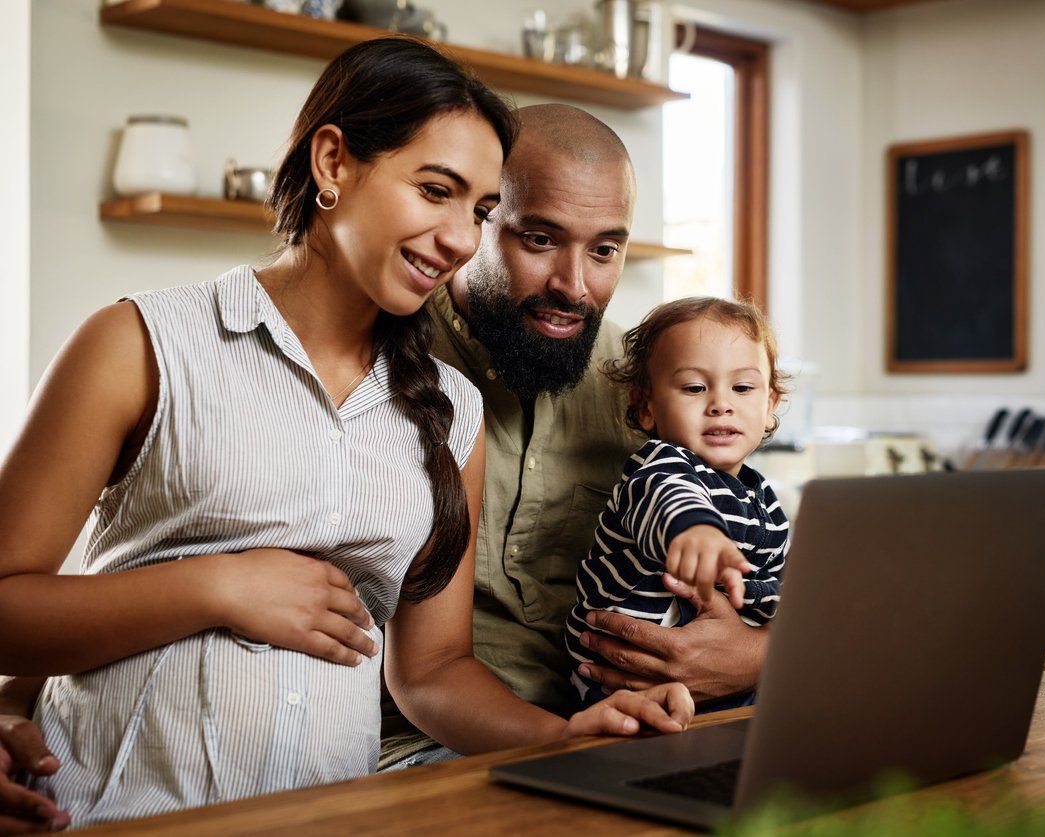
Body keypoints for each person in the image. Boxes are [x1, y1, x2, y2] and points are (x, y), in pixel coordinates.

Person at [0, 39, 690, 830]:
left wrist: (562, 738)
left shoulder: (450, 412)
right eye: (436, 190)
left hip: (333, 818)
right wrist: (218, 585)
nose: (462, 239)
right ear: (333, 163)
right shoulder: (138, 344)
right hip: (113, 812)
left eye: (480, 211)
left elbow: (431, 671)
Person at [381, 105, 775, 767]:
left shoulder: (651, 385)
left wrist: (751, 658)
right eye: (538, 239)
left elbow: (757, 559)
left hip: (637, 730)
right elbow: (423, 671)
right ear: (478, 221)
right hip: (436, 744)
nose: (575, 286)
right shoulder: (389, 371)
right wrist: (573, 739)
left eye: (604, 249)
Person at [564, 298, 790, 709]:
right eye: (694, 388)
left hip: (729, 684)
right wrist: (697, 531)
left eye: (742, 388)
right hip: (622, 687)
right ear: (646, 408)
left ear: (770, 406)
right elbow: (669, 499)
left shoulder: (765, 503)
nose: (721, 403)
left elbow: (779, 586)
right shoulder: (658, 466)